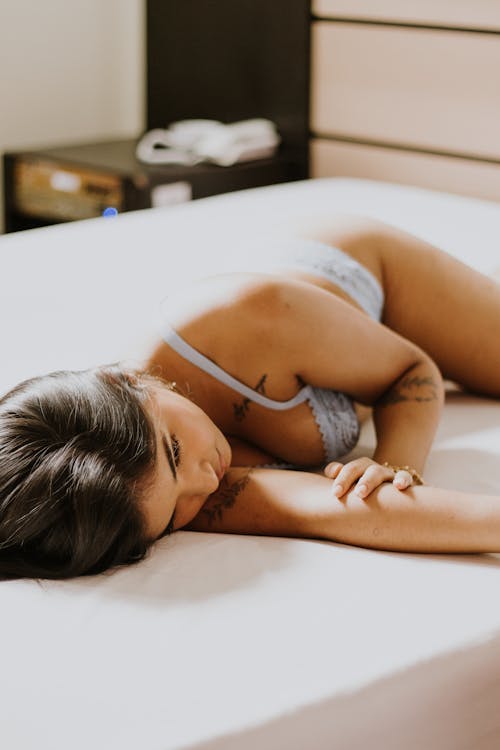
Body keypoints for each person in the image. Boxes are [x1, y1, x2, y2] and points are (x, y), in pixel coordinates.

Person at [1, 216, 500, 580]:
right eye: (175, 517)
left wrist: (396, 465)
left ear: (123, 382)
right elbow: (330, 509)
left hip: (364, 279)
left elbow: (410, 372)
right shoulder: (145, 493)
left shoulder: (248, 315)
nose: (203, 485)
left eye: (174, 451)